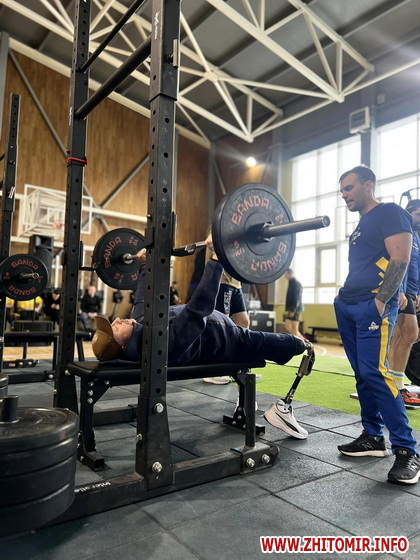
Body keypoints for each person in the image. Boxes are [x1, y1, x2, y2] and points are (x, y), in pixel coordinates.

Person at [91, 236, 314, 440]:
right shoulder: (161, 345)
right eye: (114, 329)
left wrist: (144, 265)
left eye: (112, 323)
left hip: (224, 330)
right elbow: (199, 309)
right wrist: (216, 259)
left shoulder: (142, 326)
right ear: (123, 345)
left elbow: (142, 297)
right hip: (230, 341)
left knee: (275, 341)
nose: (116, 321)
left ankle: (257, 396)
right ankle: (282, 408)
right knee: (295, 345)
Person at [334, 164, 420, 485]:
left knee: (377, 374)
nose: (345, 195)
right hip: (348, 304)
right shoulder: (362, 224)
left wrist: (382, 301)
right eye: (342, 191)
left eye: (349, 188)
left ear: (368, 185)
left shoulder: (390, 213)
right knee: (362, 374)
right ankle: (372, 436)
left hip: (372, 306)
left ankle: (407, 449)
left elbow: (401, 258)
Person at [203, 241, 250, 384]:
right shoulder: (218, 229)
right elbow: (210, 241)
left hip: (236, 283)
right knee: (222, 324)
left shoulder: (242, 232)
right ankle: (212, 371)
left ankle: (240, 367)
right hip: (222, 280)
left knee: (243, 322)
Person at [388, 199, 420, 408]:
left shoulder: (416, 235)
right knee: (410, 333)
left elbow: (416, 266)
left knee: (400, 335)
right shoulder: (401, 231)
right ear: (408, 212)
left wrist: (418, 293)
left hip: (411, 292)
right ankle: (396, 386)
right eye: (418, 214)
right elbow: (397, 261)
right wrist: (399, 290)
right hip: (401, 290)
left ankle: (392, 384)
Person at [283, 268, 305, 340]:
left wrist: (293, 310)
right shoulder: (291, 282)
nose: (284, 276)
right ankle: (304, 341)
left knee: (294, 329)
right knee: (287, 325)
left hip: (295, 309)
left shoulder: (296, 283)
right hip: (291, 308)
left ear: (290, 273)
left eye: (285, 274)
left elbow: (296, 298)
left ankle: (301, 343)